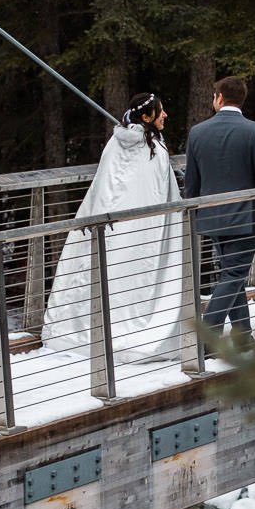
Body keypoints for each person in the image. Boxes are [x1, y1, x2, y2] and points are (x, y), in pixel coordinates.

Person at [41, 94, 184, 360]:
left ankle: (82, 330)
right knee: (133, 277)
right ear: (146, 117)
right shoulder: (150, 148)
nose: (165, 115)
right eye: (160, 111)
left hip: (108, 227)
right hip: (139, 232)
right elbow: (153, 193)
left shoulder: (117, 143)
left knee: (100, 272)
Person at [181, 74, 255, 343]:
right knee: (234, 273)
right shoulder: (254, 131)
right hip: (245, 217)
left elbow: (192, 181)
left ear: (219, 98)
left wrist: (195, 211)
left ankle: (243, 337)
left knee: (230, 273)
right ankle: (207, 339)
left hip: (211, 216)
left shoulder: (197, 132)